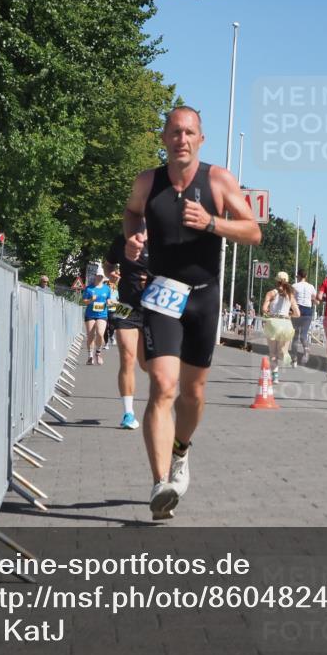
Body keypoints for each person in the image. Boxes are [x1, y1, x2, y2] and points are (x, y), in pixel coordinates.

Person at [123, 106, 261, 520]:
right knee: (163, 385)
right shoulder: (148, 182)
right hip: (163, 294)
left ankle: (181, 452)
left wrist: (212, 223)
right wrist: (133, 237)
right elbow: (132, 213)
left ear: (201, 139)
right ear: (163, 138)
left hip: (204, 298)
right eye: (174, 132)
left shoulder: (218, 181)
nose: (181, 139)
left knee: (193, 393)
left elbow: (253, 231)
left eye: (190, 133)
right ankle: (160, 484)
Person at [106, 237, 148, 430]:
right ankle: (128, 413)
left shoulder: (164, 237)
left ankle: (159, 403)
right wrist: (111, 274)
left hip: (152, 308)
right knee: (127, 358)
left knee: (147, 365)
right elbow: (108, 265)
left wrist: (154, 279)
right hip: (125, 307)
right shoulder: (122, 240)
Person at [261, 272, 300, 383]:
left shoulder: (270, 293)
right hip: (286, 324)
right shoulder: (290, 295)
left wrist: (268, 313)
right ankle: (288, 357)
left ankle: (275, 375)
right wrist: (289, 314)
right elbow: (297, 313)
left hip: (273, 323)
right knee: (282, 352)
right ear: (287, 282)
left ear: (276, 281)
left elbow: (264, 309)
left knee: (272, 352)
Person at [82, 269, 112, 365]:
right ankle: (90, 356)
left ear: (104, 277)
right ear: (95, 276)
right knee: (91, 336)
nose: (100, 277)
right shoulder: (89, 288)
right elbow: (84, 301)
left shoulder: (107, 288)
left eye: (102, 276)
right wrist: (91, 300)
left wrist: (109, 302)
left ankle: (98, 354)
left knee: (100, 333)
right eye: (98, 276)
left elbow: (109, 299)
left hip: (102, 314)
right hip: (90, 314)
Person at [290, 269, 316, 367]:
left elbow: (291, 298)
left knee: (295, 335)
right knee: (304, 334)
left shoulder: (294, 286)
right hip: (308, 310)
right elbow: (315, 299)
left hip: (297, 309)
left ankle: (294, 360)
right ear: (306, 276)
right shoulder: (311, 286)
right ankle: (306, 348)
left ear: (298, 276)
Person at [104, 268, 121, 351]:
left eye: (116, 277)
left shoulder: (117, 290)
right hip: (104, 310)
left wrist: (116, 303)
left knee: (111, 327)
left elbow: (120, 300)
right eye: (109, 285)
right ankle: (106, 343)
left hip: (113, 310)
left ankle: (111, 336)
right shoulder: (105, 288)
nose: (115, 278)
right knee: (104, 327)